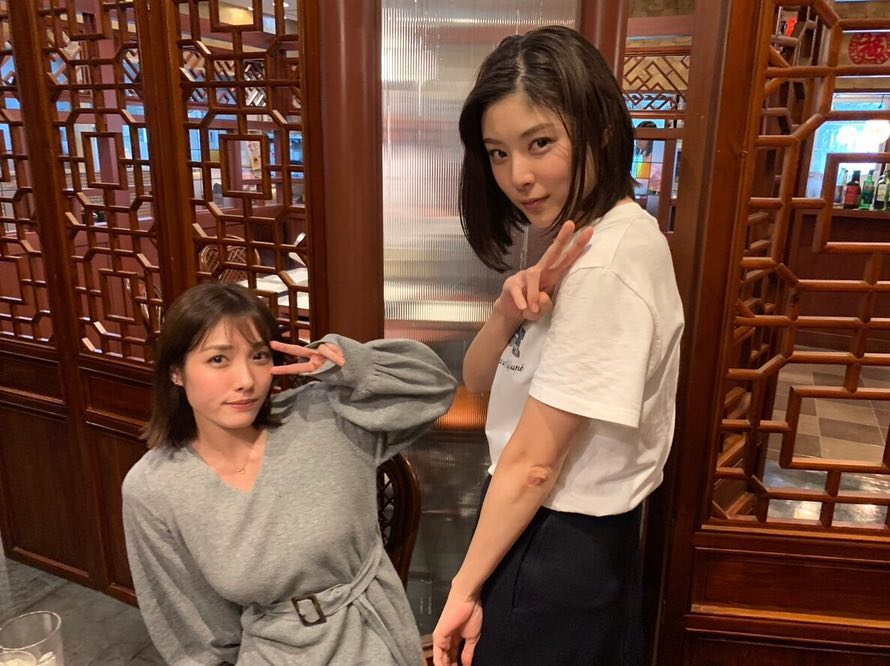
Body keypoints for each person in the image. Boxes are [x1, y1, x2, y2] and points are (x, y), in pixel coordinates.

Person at [432, 26, 684, 665]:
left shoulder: (606, 266)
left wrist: (462, 587)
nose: (518, 176)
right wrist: (505, 313)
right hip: (549, 529)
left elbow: (536, 465)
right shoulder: (590, 240)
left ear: (600, 128)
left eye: (539, 143)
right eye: (498, 153)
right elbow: (479, 380)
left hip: (556, 539)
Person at [122, 282, 456, 665]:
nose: (246, 380)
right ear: (176, 373)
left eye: (258, 356)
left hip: (372, 640)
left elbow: (434, 388)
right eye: (218, 359)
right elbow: (194, 630)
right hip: (270, 653)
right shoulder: (154, 488)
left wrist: (353, 366)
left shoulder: (322, 415)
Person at [633, 120, 663, 196]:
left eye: (642, 137)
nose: (638, 140)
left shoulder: (653, 158)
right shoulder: (648, 155)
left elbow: (640, 184)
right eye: (637, 137)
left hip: (654, 197)